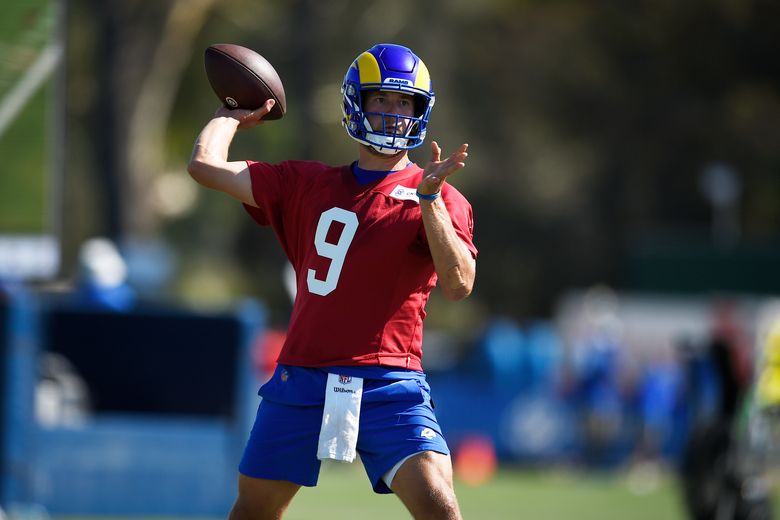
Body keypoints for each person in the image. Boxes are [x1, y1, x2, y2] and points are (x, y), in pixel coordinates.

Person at [188, 43, 477, 520]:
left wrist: (430, 201)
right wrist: (231, 114)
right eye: (381, 99)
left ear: (420, 111)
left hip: (390, 382)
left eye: (404, 102)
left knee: (441, 509)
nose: (393, 113)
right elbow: (205, 166)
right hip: (302, 375)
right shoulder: (306, 182)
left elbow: (459, 284)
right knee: (252, 514)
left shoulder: (441, 196)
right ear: (355, 104)